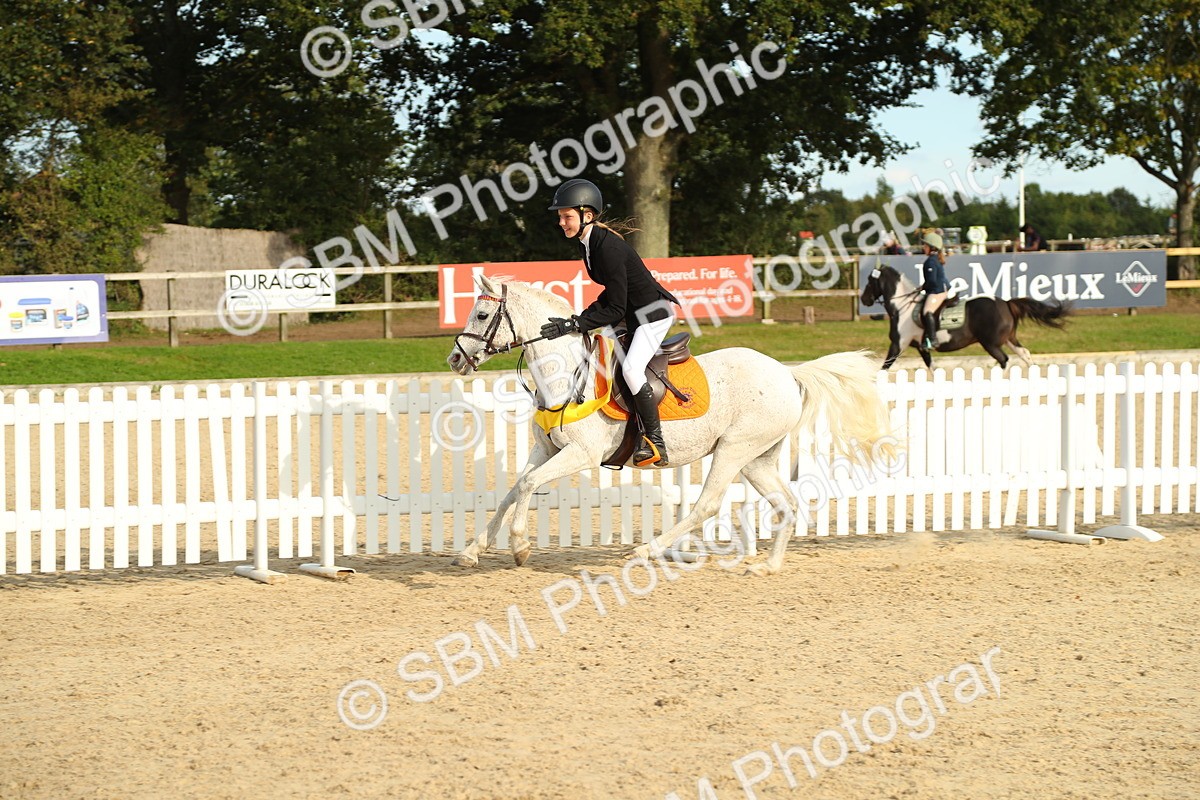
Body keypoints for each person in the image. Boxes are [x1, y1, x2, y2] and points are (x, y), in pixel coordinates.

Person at [539, 178, 681, 467]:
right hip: (631, 312)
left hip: (651, 315)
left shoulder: (608, 248)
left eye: (566, 217)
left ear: (586, 216)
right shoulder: (588, 243)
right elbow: (613, 297)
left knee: (630, 369)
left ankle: (655, 440)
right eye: (560, 217)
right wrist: (577, 320)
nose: (562, 223)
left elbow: (615, 307)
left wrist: (575, 324)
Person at [919, 231, 951, 350]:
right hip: (940, 288)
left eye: (925, 245)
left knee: (927, 311)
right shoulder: (935, 258)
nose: (924, 247)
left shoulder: (931, 261)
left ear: (931, 247)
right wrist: (923, 287)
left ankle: (933, 340)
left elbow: (931, 282)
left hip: (937, 291)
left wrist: (924, 288)